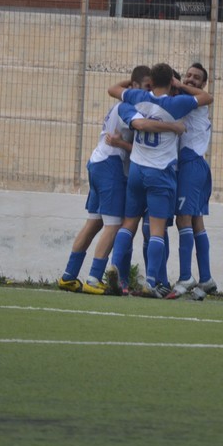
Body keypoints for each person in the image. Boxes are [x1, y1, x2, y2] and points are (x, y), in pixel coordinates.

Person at [58, 66, 183, 295]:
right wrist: (173, 127)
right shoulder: (130, 107)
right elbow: (143, 129)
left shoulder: (128, 103)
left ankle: (68, 275)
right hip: (111, 166)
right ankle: (94, 278)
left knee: (94, 223)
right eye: (145, 87)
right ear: (133, 86)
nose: (148, 93)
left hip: (98, 162)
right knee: (114, 225)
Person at [107, 63, 212, 297]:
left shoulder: (137, 98)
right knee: (157, 230)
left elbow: (113, 90)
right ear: (172, 83)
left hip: (137, 170)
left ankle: (116, 270)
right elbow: (207, 98)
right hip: (161, 173)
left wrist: (134, 83)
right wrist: (173, 127)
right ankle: (152, 281)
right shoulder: (178, 103)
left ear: (151, 82)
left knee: (129, 223)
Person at [168, 62, 218, 299]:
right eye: (187, 75)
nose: (189, 79)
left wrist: (176, 84)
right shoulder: (186, 100)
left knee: (183, 219)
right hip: (195, 166)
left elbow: (207, 97)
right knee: (196, 221)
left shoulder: (197, 100)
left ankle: (186, 276)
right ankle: (206, 278)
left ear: (203, 83)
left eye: (196, 77)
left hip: (191, 164)